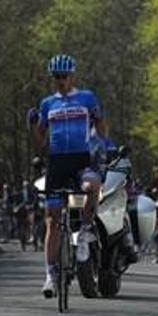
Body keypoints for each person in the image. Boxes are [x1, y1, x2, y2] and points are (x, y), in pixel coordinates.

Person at [32, 54, 106, 297]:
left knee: (91, 186)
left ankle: (84, 232)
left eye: (64, 76)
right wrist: (35, 133)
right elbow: (40, 138)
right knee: (52, 220)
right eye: (56, 77)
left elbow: (101, 123)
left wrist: (102, 144)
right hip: (56, 163)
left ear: (72, 76)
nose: (60, 80)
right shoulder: (47, 104)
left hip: (81, 159)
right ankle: (49, 275)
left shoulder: (86, 97)